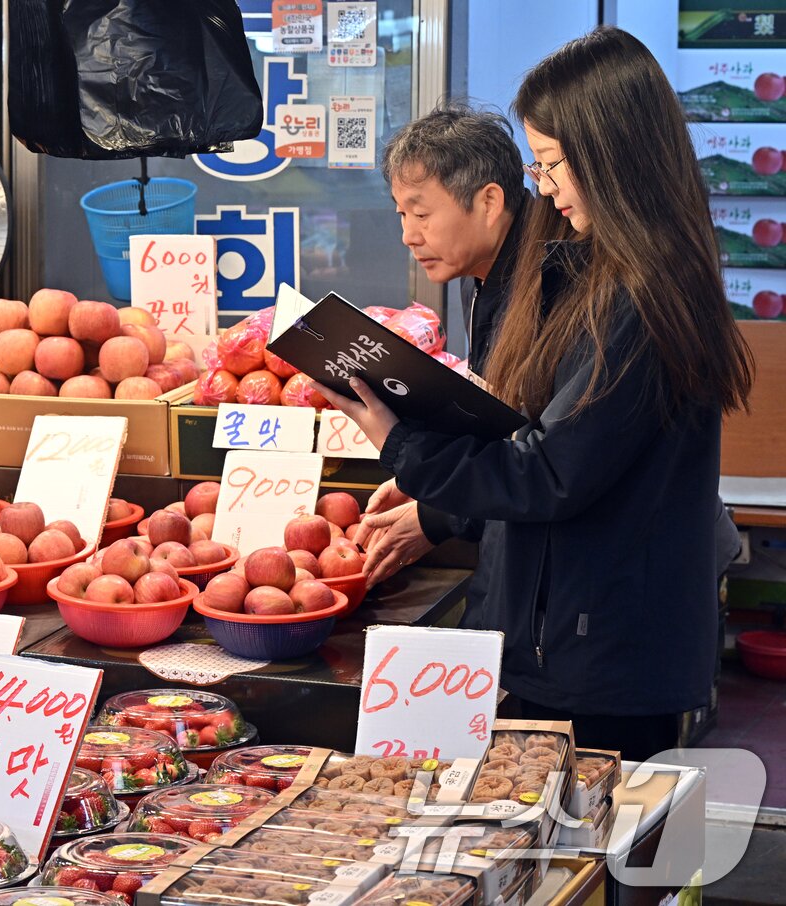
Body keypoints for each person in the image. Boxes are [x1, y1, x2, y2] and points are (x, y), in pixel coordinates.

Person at [317, 26, 754, 761]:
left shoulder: (639, 297)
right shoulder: (614, 273)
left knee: (593, 859)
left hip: (605, 651)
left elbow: (550, 471)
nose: (543, 187)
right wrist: (440, 496)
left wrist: (400, 441)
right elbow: (538, 438)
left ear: (612, 156)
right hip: (582, 637)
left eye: (551, 164)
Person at [358, 104, 531, 584]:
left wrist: (408, 454)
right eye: (401, 214)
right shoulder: (477, 274)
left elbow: (541, 468)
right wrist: (440, 509)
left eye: (421, 214)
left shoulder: (551, 284)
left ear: (490, 202)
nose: (408, 236)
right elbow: (502, 428)